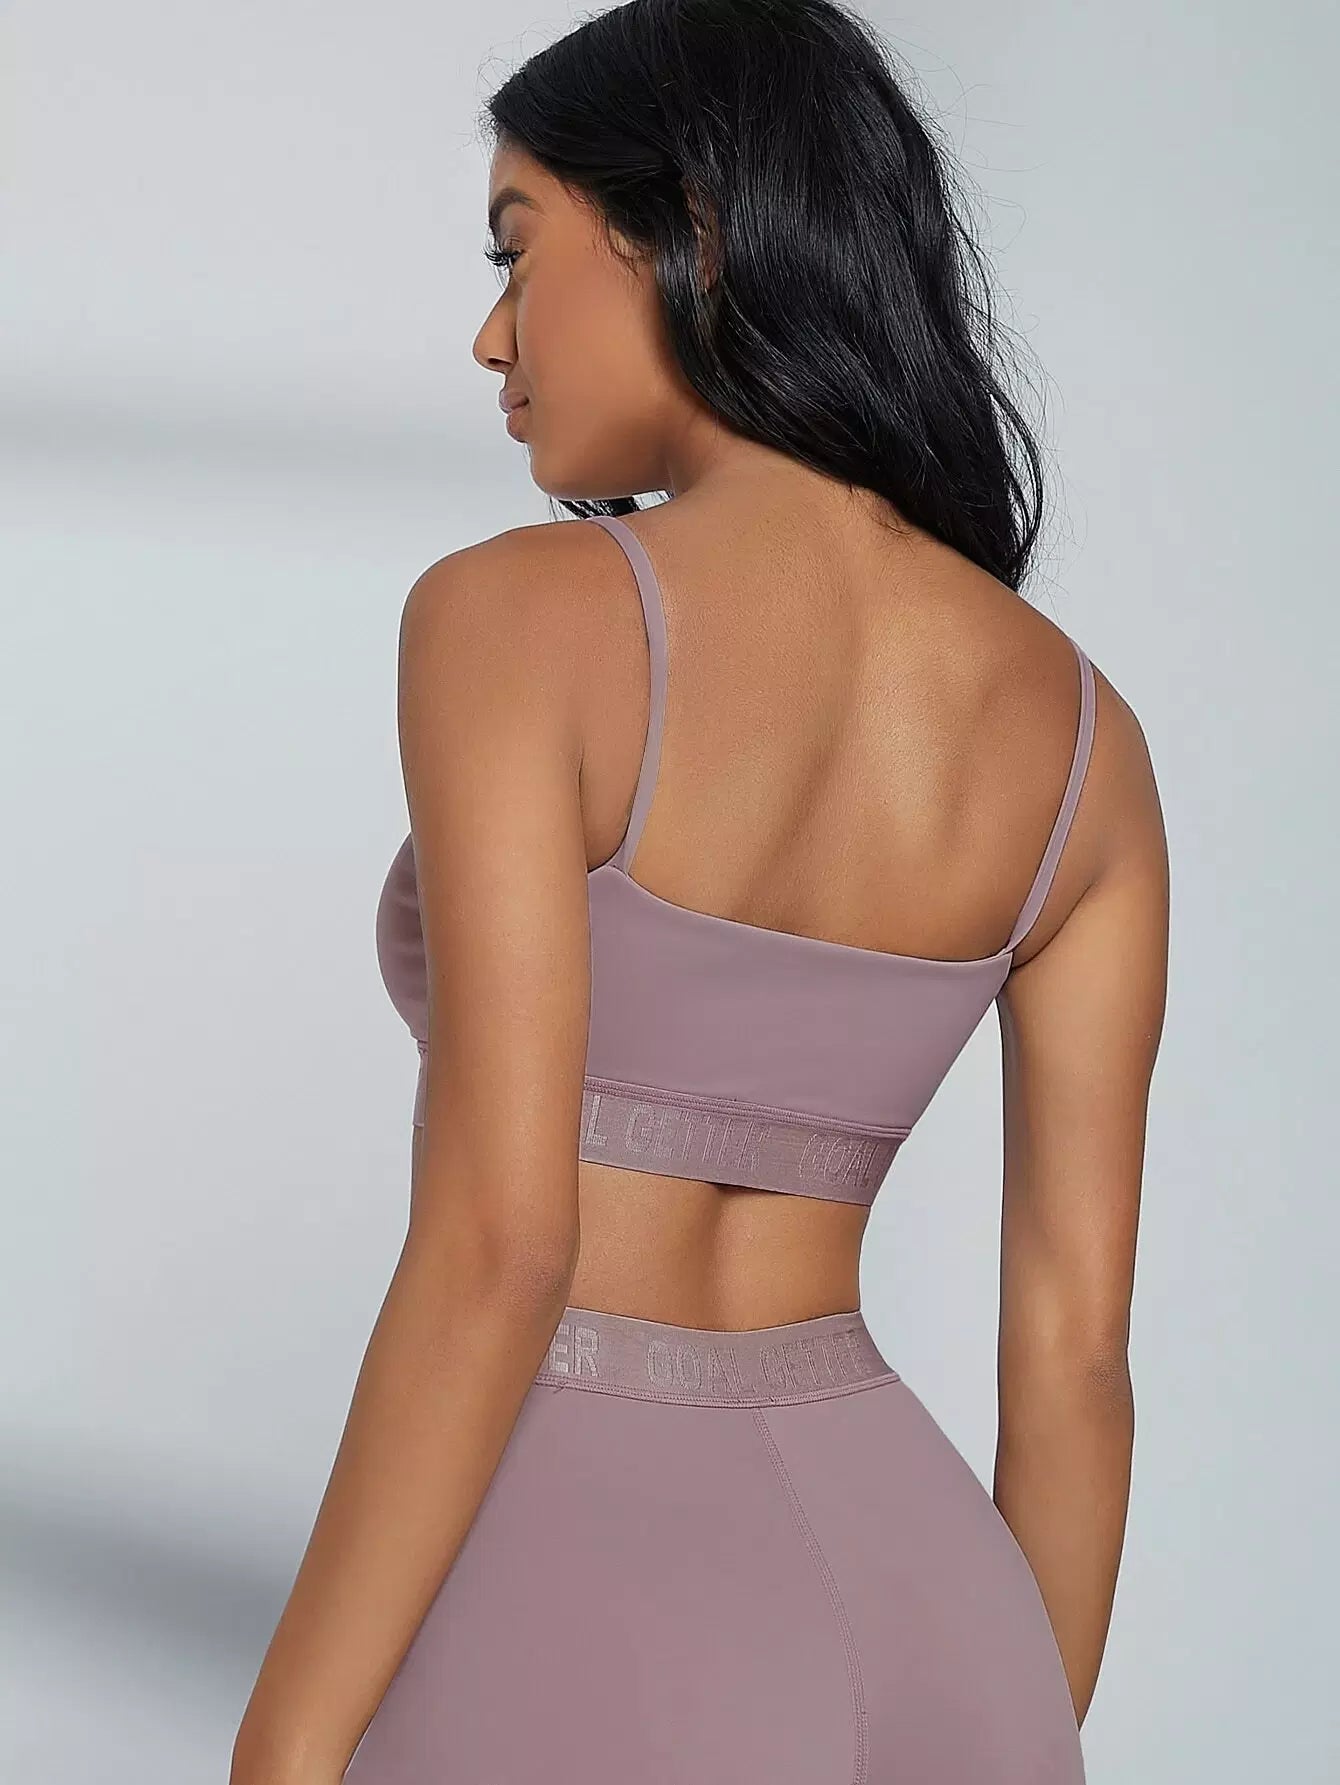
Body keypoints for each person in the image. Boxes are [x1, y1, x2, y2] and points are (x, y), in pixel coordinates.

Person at [231, 2, 1168, 1780]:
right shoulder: (1084, 742)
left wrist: (282, 1745)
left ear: (696, 231)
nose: (492, 335)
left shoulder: (517, 620)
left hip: (585, 1598)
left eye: (516, 250)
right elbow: (1078, 1352)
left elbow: (504, 1246)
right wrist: (1011, 1733)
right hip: (939, 1617)